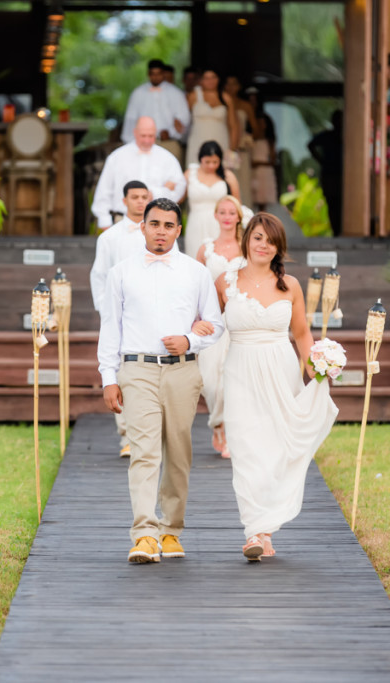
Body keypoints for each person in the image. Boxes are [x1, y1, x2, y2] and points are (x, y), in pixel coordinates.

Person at [98, 198, 225, 564]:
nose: (161, 231)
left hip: (183, 369)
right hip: (137, 369)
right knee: (144, 451)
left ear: (179, 230)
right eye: (154, 224)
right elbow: (111, 328)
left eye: (169, 225)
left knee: (179, 451)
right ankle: (144, 534)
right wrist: (109, 377)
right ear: (143, 227)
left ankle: (171, 530)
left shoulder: (195, 272)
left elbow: (215, 323)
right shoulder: (121, 272)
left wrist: (191, 340)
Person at [210, 213, 338, 561]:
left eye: (270, 239)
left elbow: (301, 334)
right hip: (240, 371)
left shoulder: (290, 285)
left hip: (281, 370)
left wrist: (319, 367)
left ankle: (266, 526)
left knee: (276, 449)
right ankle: (256, 532)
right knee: (247, 448)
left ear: (278, 246)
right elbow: (211, 324)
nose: (263, 245)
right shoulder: (225, 282)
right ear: (246, 240)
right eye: (257, 238)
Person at [90, 180, 151, 457]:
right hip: (120, 315)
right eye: (135, 197)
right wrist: (107, 313)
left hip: (152, 313)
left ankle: (149, 432)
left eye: (144, 197)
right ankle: (126, 435)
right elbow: (99, 276)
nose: (140, 202)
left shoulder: (158, 233)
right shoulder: (110, 237)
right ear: (124, 201)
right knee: (122, 370)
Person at [193, 195, 249, 459]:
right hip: (212, 319)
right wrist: (194, 320)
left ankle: (230, 433)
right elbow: (194, 287)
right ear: (215, 216)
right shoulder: (206, 249)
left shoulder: (249, 247)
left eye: (231, 212)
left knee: (233, 379)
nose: (227, 217)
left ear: (238, 216)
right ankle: (217, 423)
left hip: (239, 317)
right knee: (211, 382)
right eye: (222, 212)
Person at [91, 117, 185, 230]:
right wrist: (104, 221)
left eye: (151, 136)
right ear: (135, 133)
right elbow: (104, 190)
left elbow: (179, 188)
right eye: (143, 136)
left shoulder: (167, 158)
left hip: (156, 224)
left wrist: (156, 193)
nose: (147, 140)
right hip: (121, 222)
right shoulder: (117, 157)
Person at [122, 59, 190, 165]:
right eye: (153, 74)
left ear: (163, 74)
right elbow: (130, 119)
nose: (156, 77)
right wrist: (130, 143)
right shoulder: (138, 93)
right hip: (143, 143)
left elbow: (184, 118)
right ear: (148, 74)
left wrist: (171, 132)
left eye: (158, 74)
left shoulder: (176, 93)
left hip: (168, 142)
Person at [182, 140, 239, 257]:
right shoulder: (190, 174)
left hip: (221, 223)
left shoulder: (228, 176)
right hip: (196, 224)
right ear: (200, 158)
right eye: (207, 162)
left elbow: (237, 204)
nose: (211, 166)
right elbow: (179, 198)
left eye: (215, 162)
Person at [186, 69, 238, 168]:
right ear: (201, 81)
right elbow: (185, 119)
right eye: (206, 78)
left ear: (218, 79)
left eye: (213, 77)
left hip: (221, 140)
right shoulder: (193, 96)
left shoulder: (226, 98)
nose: (210, 81)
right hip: (197, 140)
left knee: (221, 173)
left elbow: (233, 125)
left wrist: (232, 150)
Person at [308, 110, 344, 235]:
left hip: (342, 175)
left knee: (340, 203)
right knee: (332, 203)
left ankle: (340, 230)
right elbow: (310, 144)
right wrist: (321, 160)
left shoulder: (347, 136)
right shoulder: (328, 135)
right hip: (330, 173)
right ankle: (336, 231)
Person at [224, 75, 259, 205]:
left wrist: (247, 138)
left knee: (242, 184)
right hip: (224, 148)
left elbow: (256, 129)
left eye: (234, 84)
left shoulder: (245, 105)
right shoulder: (221, 103)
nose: (230, 87)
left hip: (240, 152)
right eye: (228, 84)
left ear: (238, 87)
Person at [247, 88, 278, 210]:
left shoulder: (268, 141)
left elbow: (273, 159)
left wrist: (257, 163)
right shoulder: (250, 139)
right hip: (252, 172)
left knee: (263, 200)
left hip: (263, 173)